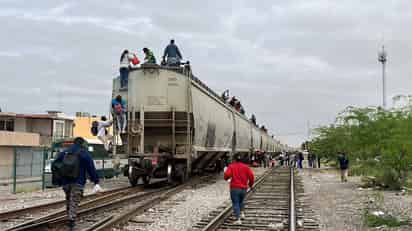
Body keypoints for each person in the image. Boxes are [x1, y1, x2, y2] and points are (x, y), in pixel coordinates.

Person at [53, 137, 102, 230]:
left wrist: (58, 180)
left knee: (69, 199)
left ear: (73, 143)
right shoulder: (84, 153)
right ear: (82, 144)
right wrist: (96, 181)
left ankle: (69, 216)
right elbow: (91, 168)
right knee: (74, 201)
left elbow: (55, 164)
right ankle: (71, 222)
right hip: (78, 182)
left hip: (65, 182)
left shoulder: (64, 152)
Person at [224, 153, 254, 225]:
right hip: (244, 188)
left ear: (234, 159)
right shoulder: (246, 167)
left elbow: (227, 175)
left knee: (235, 203)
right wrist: (250, 185)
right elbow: (251, 177)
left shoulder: (231, 166)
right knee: (241, 201)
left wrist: (226, 178)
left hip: (234, 188)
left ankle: (238, 219)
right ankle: (242, 214)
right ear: (242, 159)